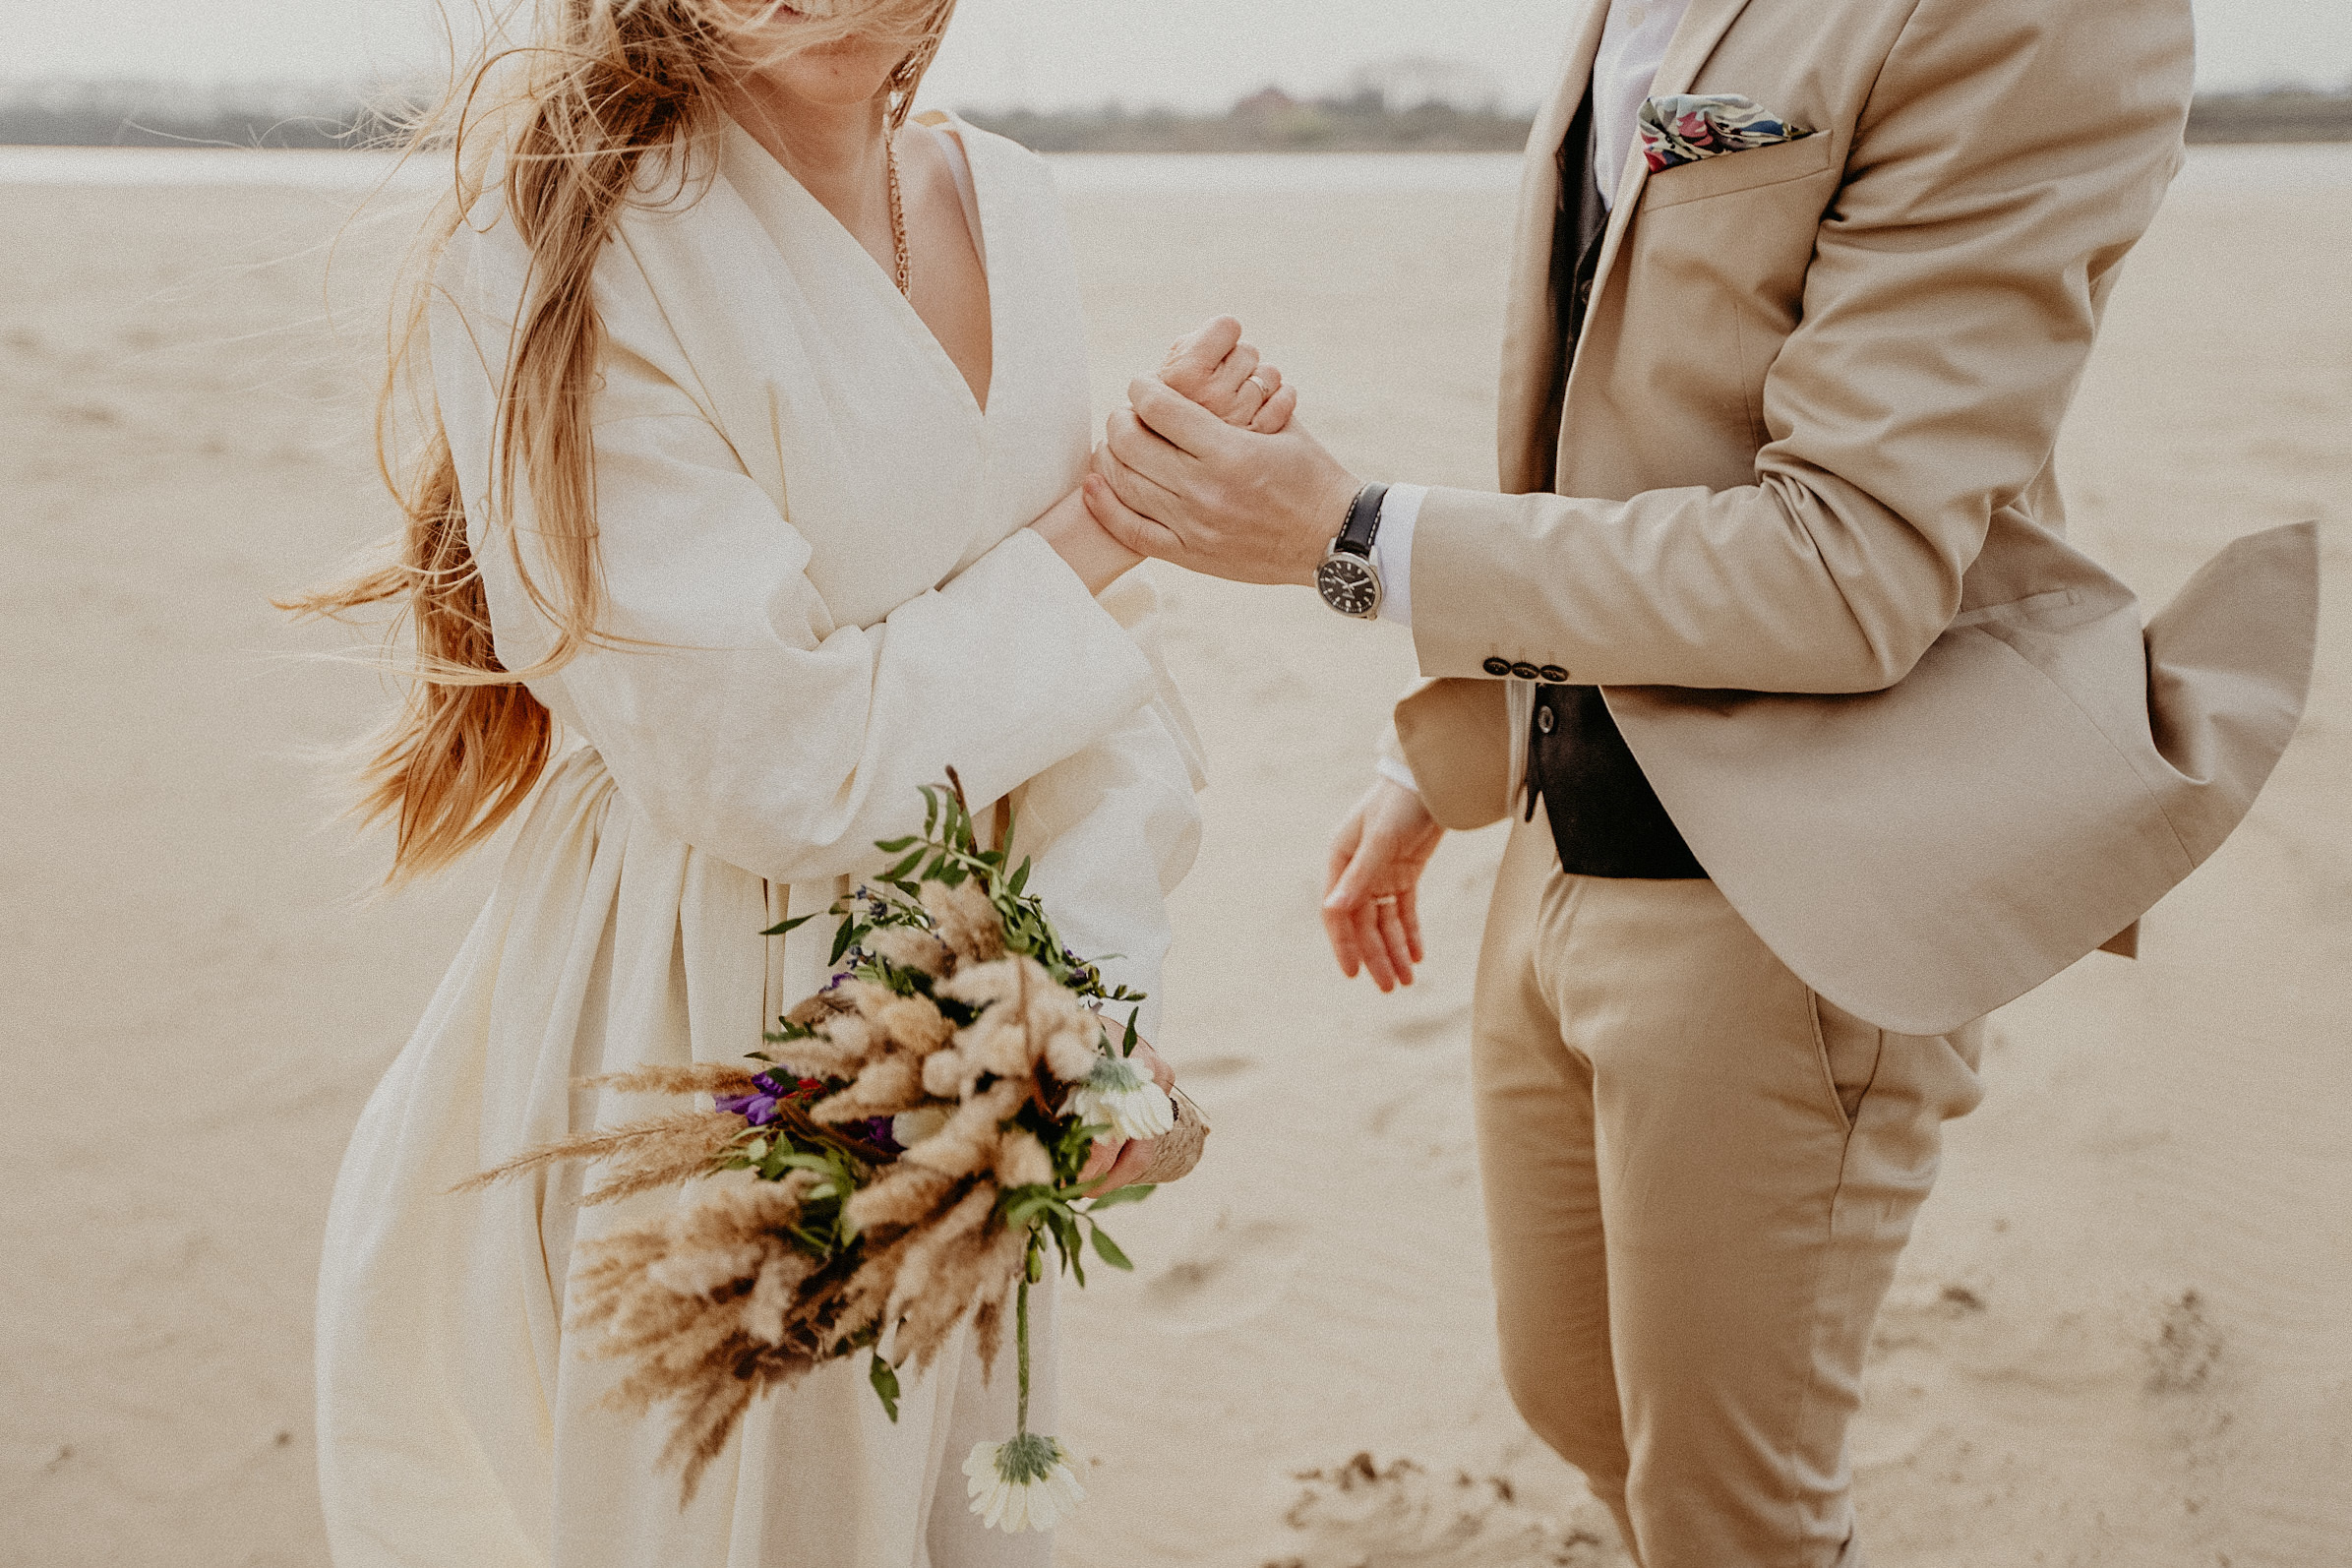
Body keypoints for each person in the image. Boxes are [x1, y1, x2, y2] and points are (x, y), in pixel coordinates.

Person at [1081, 0, 2319, 1563]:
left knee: (1734, 1513)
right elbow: (1626, 416)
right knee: (1574, 1399)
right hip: (1558, 831)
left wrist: (1354, 538)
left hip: (1790, 899)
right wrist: (1461, 746)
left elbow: (1850, 561)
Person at [290, 3, 1285, 1563]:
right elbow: (771, 763)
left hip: (967, 1013)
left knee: (947, 1511)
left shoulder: (1008, 199)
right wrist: (1107, 522)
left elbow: (1096, 695)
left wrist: (1093, 1002)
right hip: (694, 1015)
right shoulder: (563, 233)